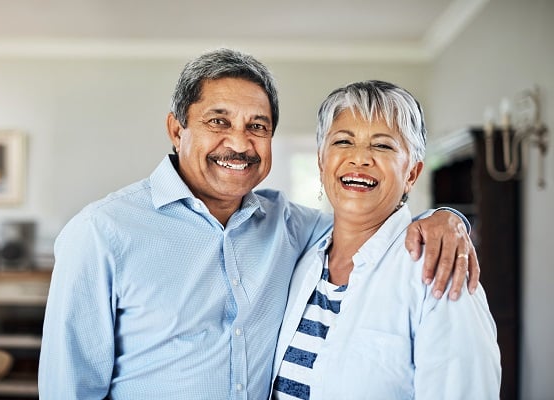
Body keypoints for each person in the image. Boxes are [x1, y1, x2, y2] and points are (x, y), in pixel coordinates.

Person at [38, 49, 479, 399]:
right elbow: (69, 388)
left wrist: (445, 217)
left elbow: (366, 219)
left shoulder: (291, 227)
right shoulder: (101, 232)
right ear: (177, 130)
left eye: (258, 126)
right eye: (218, 121)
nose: (238, 143)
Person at [271, 80, 501, 399]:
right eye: (343, 141)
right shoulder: (300, 254)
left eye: (382, 146)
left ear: (411, 173)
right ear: (322, 162)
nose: (360, 158)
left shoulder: (437, 272)